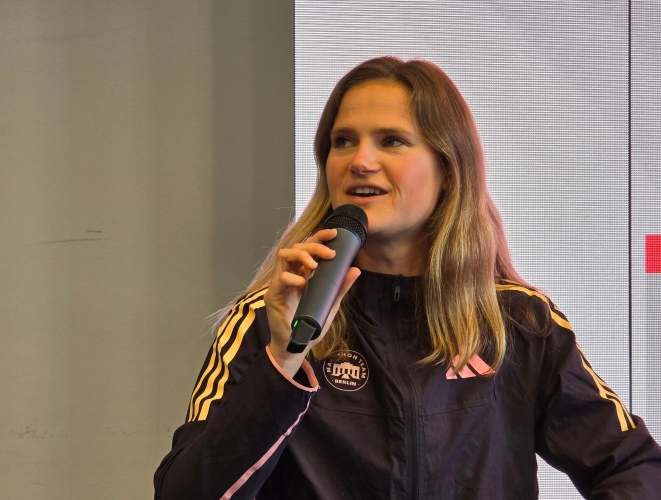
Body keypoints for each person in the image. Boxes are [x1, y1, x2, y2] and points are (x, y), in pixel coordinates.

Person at [154, 57, 661, 499]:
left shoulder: (520, 322)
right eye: (342, 142)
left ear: (449, 168)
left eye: (392, 141)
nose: (360, 161)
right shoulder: (266, 319)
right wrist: (283, 362)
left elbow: (638, 470)